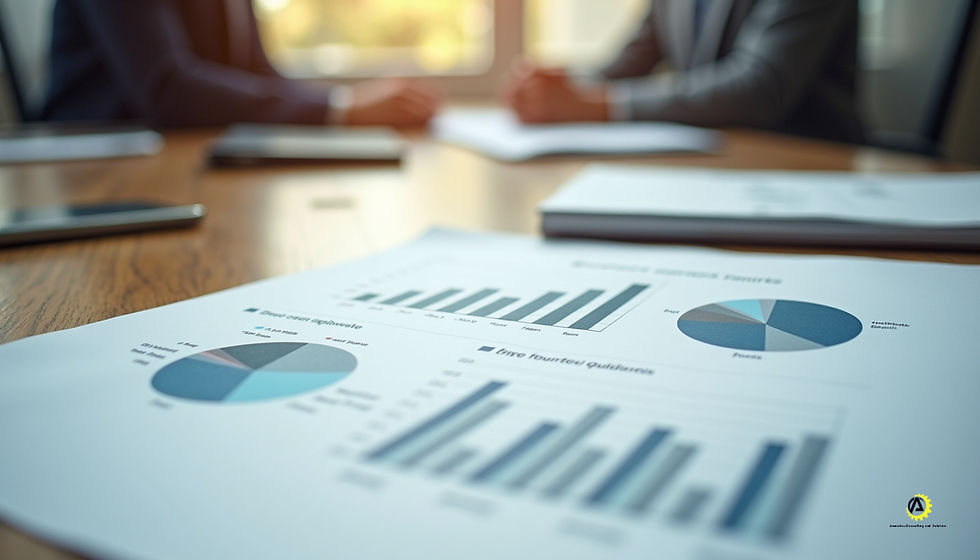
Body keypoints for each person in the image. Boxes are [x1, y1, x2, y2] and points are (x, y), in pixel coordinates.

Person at [505, 0, 863, 143]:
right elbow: (630, 62)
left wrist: (596, 104)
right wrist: (560, 86)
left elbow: (759, 87)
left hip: (810, 161)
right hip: (711, 158)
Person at [40, 0, 441, 127]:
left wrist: (344, 102)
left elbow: (259, 74)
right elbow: (169, 89)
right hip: (92, 165)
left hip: (189, 154)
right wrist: (341, 109)